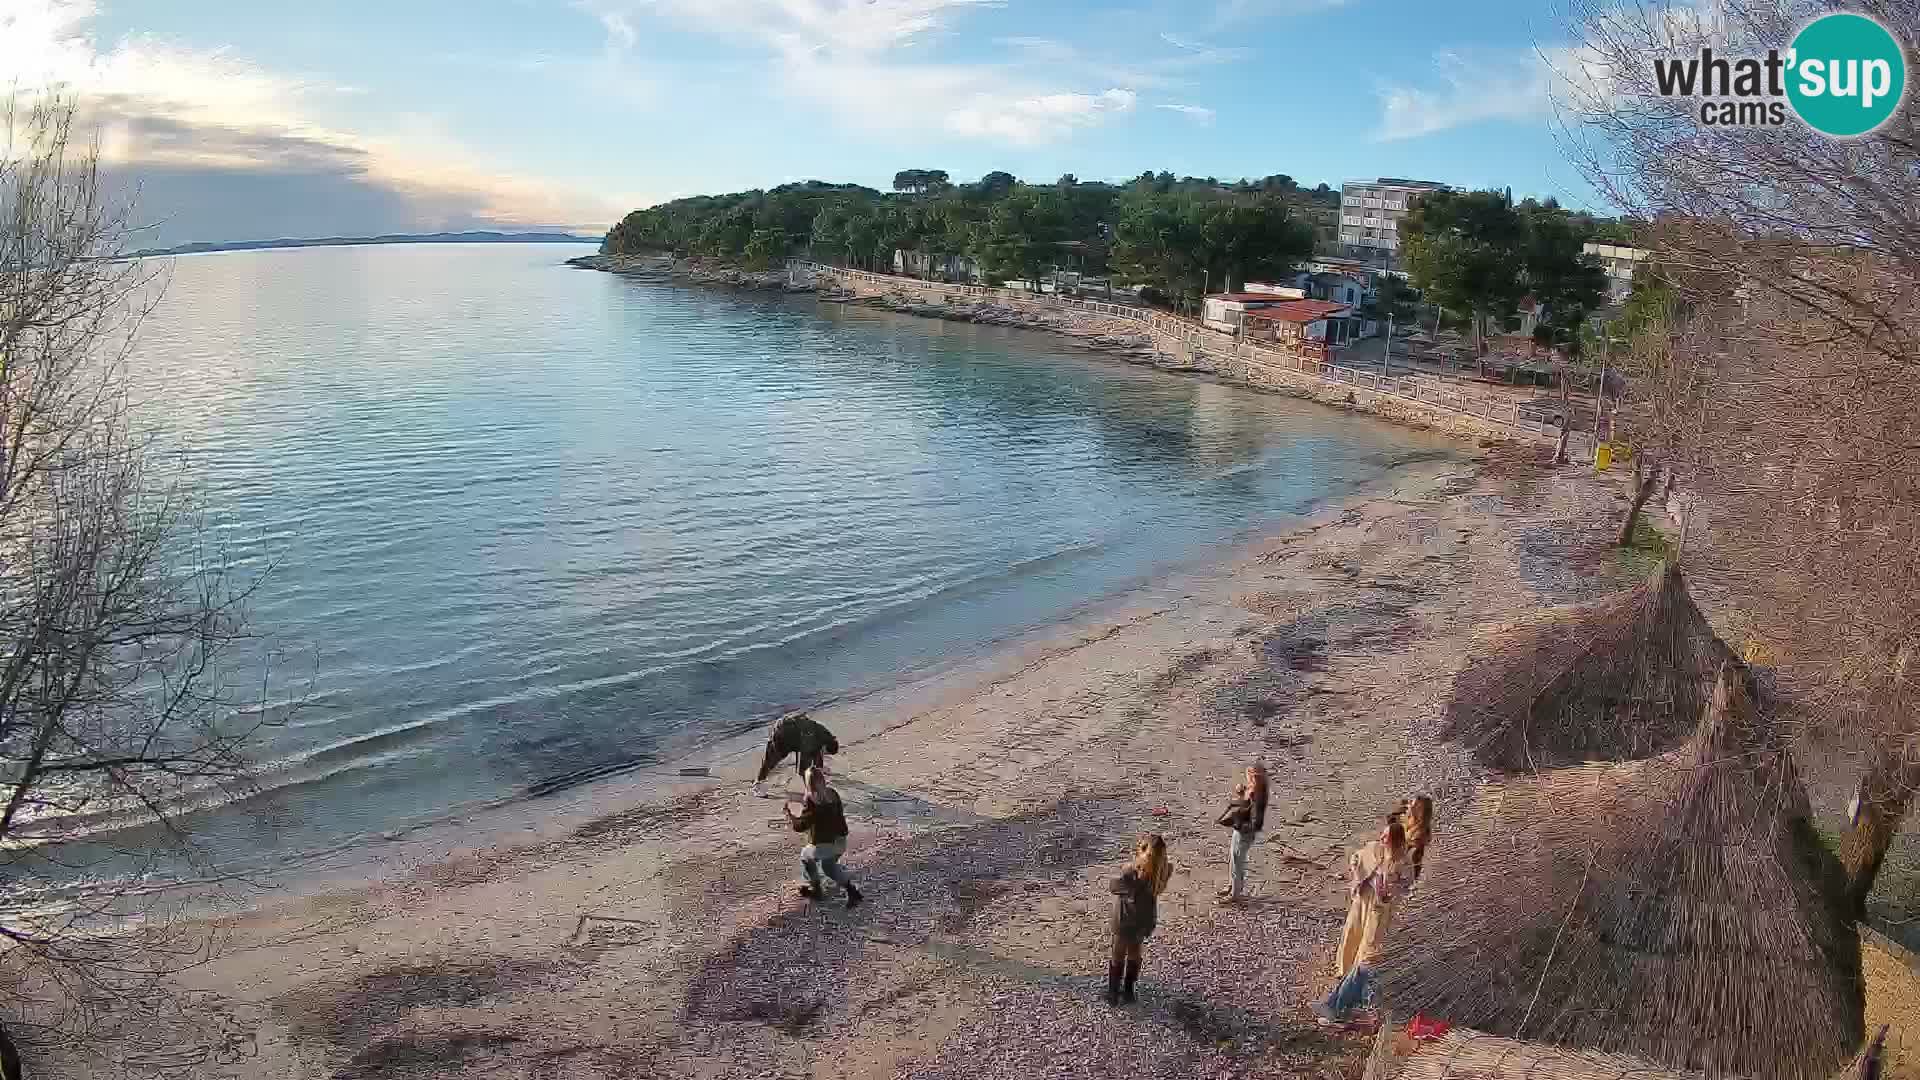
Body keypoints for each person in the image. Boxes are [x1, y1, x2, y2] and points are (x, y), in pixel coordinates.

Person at [1315, 816, 1413, 1025]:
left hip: (1380, 912)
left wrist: (1388, 892)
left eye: (1386, 836)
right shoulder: (1375, 850)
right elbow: (1358, 859)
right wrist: (1360, 877)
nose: (1382, 838)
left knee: (1367, 958)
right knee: (1353, 939)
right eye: (1383, 835)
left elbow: (1404, 889)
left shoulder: (1402, 863)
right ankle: (1338, 997)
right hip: (1364, 902)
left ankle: (1338, 1005)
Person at [1106, 833, 1173, 1006]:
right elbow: (1167, 866)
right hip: (1144, 922)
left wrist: (1129, 868)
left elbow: (1113, 887)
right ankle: (1129, 990)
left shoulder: (1132, 876)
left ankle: (1113, 991)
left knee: (1118, 953)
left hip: (1124, 921)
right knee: (1135, 953)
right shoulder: (1162, 874)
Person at [784, 767, 864, 908]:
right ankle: (853, 892)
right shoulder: (833, 793)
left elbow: (800, 826)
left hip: (825, 845)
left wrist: (790, 815)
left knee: (806, 856)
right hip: (840, 841)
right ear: (823, 780)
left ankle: (817, 890)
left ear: (808, 784)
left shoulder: (812, 803)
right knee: (829, 866)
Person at [1216, 760, 1270, 904]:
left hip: (1245, 833)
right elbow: (1246, 806)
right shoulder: (1253, 789)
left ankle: (1235, 894)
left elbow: (1256, 823)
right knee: (1233, 859)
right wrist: (1241, 793)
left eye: (1250, 776)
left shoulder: (1258, 796)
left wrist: (1239, 824)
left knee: (1238, 862)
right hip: (1240, 830)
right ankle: (1232, 887)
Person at [757, 710, 840, 784]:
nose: (824, 754)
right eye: (826, 752)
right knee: (770, 762)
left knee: (815, 754)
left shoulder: (826, 735)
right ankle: (758, 784)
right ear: (825, 745)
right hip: (782, 735)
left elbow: (817, 754)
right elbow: (803, 770)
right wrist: (810, 788)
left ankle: (818, 776)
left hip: (795, 727)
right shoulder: (811, 742)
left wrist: (819, 772)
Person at [1401, 795, 1435, 880]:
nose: (1410, 804)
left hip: (1407, 870)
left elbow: (1409, 852)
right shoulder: (1411, 820)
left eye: (1413, 803)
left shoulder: (1420, 833)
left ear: (1418, 809)